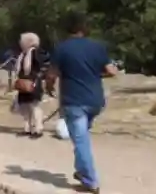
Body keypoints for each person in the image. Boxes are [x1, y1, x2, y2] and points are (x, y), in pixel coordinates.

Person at [46, 12, 117, 194]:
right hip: (95, 101)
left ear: (67, 29)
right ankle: (81, 170)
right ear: (84, 28)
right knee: (81, 137)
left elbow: (52, 75)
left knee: (81, 141)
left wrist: (49, 87)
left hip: (73, 101)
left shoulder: (62, 49)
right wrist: (96, 74)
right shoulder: (97, 47)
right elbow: (112, 71)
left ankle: (90, 180)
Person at [14, 32, 45, 138]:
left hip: (33, 82)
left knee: (34, 105)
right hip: (23, 82)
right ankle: (27, 127)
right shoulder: (23, 54)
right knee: (24, 106)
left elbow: (41, 66)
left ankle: (38, 128)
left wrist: (38, 77)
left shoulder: (35, 52)